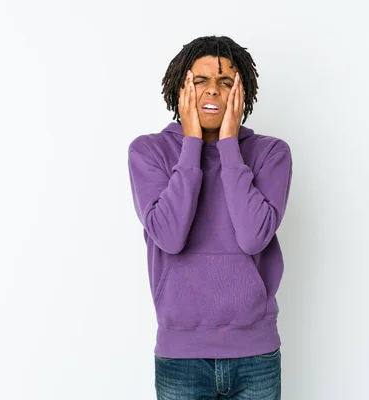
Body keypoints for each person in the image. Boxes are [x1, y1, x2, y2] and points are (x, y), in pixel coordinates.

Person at [127, 35, 293, 399]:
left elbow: (253, 236)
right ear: (179, 89)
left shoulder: (270, 153)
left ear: (242, 94)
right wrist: (191, 145)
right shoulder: (149, 151)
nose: (213, 92)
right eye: (199, 81)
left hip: (255, 354)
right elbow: (170, 237)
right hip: (182, 356)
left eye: (226, 83)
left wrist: (229, 147)